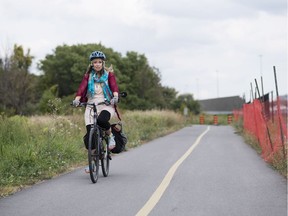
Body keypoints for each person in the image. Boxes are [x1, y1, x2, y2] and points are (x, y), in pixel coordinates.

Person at [73, 51, 119, 172]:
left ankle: (110, 137)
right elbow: (81, 89)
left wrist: (115, 96)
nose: (97, 64)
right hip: (91, 104)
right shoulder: (88, 77)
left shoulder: (109, 75)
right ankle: (93, 163)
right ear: (92, 64)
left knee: (101, 120)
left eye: (99, 62)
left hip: (106, 104)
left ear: (103, 63)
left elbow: (114, 87)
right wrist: (77, 100)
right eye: (95, 62)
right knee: (90, 136)